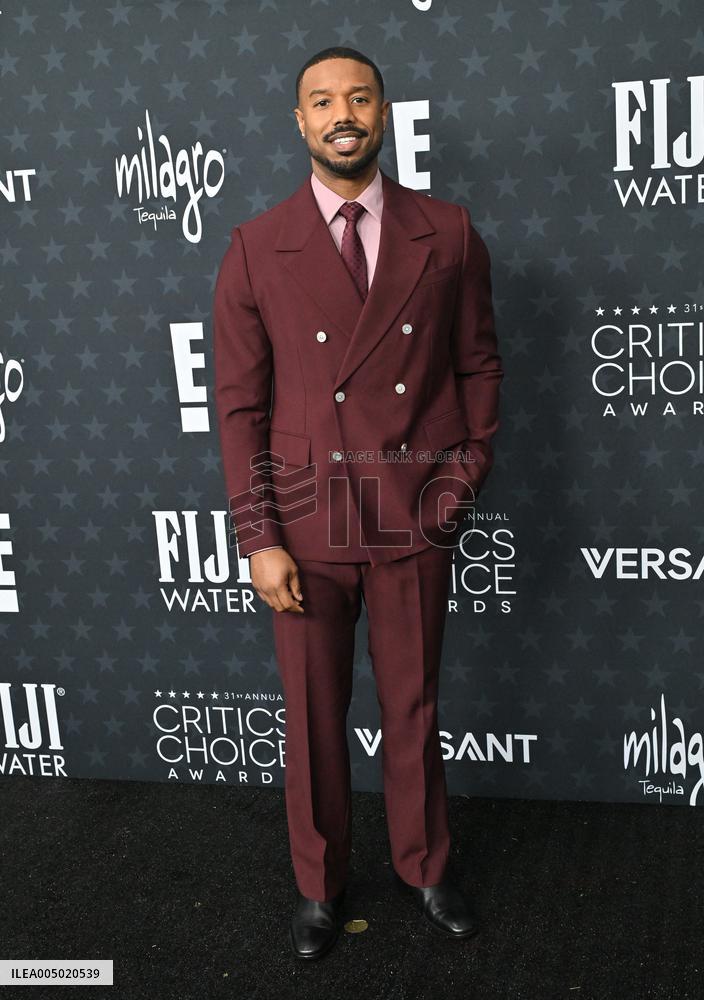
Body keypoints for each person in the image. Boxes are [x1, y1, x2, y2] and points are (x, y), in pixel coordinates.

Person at [213, 45, 503, 960]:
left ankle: (424, 867)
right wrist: (259, 536)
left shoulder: (447, 231)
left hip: (411, 513)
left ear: (384, 114)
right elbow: (240, 407)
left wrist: (454, 491)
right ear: (298, 122)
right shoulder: (258, 245)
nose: (343, 113)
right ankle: (320, 887)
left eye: (360, 97)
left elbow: (479, 370)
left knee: (413, 704)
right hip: (304, 521)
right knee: (310, 713)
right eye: (322, 100)